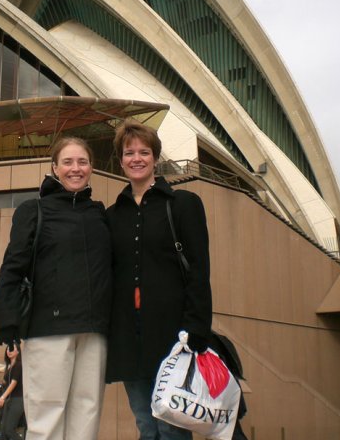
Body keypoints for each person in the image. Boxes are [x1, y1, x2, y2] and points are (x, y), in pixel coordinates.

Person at [0, 137, 112, 440]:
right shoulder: (34, 210)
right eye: (68, 162)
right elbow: (12, 267)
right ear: (54, 168)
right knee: (47, 415)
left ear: (91, 168)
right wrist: (6, 322)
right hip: (48, 328)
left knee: (88, 413)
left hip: (94, 329)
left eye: (82, 162)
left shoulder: (99, 213)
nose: (76, 169)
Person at [106, 119, 212, 440]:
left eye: (144, 152)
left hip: (173, 338)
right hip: (129, 337)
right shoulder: (112, 215)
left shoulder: (183, 204)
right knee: (145, 424)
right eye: (129, 153)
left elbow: (199, 270)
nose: (136, 158)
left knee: (172, 427)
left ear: (155, 157)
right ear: (120, 159)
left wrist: (196, 329)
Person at [0, 344, 25, 440]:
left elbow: (13, 383)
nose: (9, 350)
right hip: (9, 400)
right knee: (3, 433)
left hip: (17, 400)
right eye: (8, 349)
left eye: (12, 349)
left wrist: (2, 397)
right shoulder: (9, 367)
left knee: (9, 430)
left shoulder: (19, 365)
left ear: (18, 351)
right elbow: (7, 382)